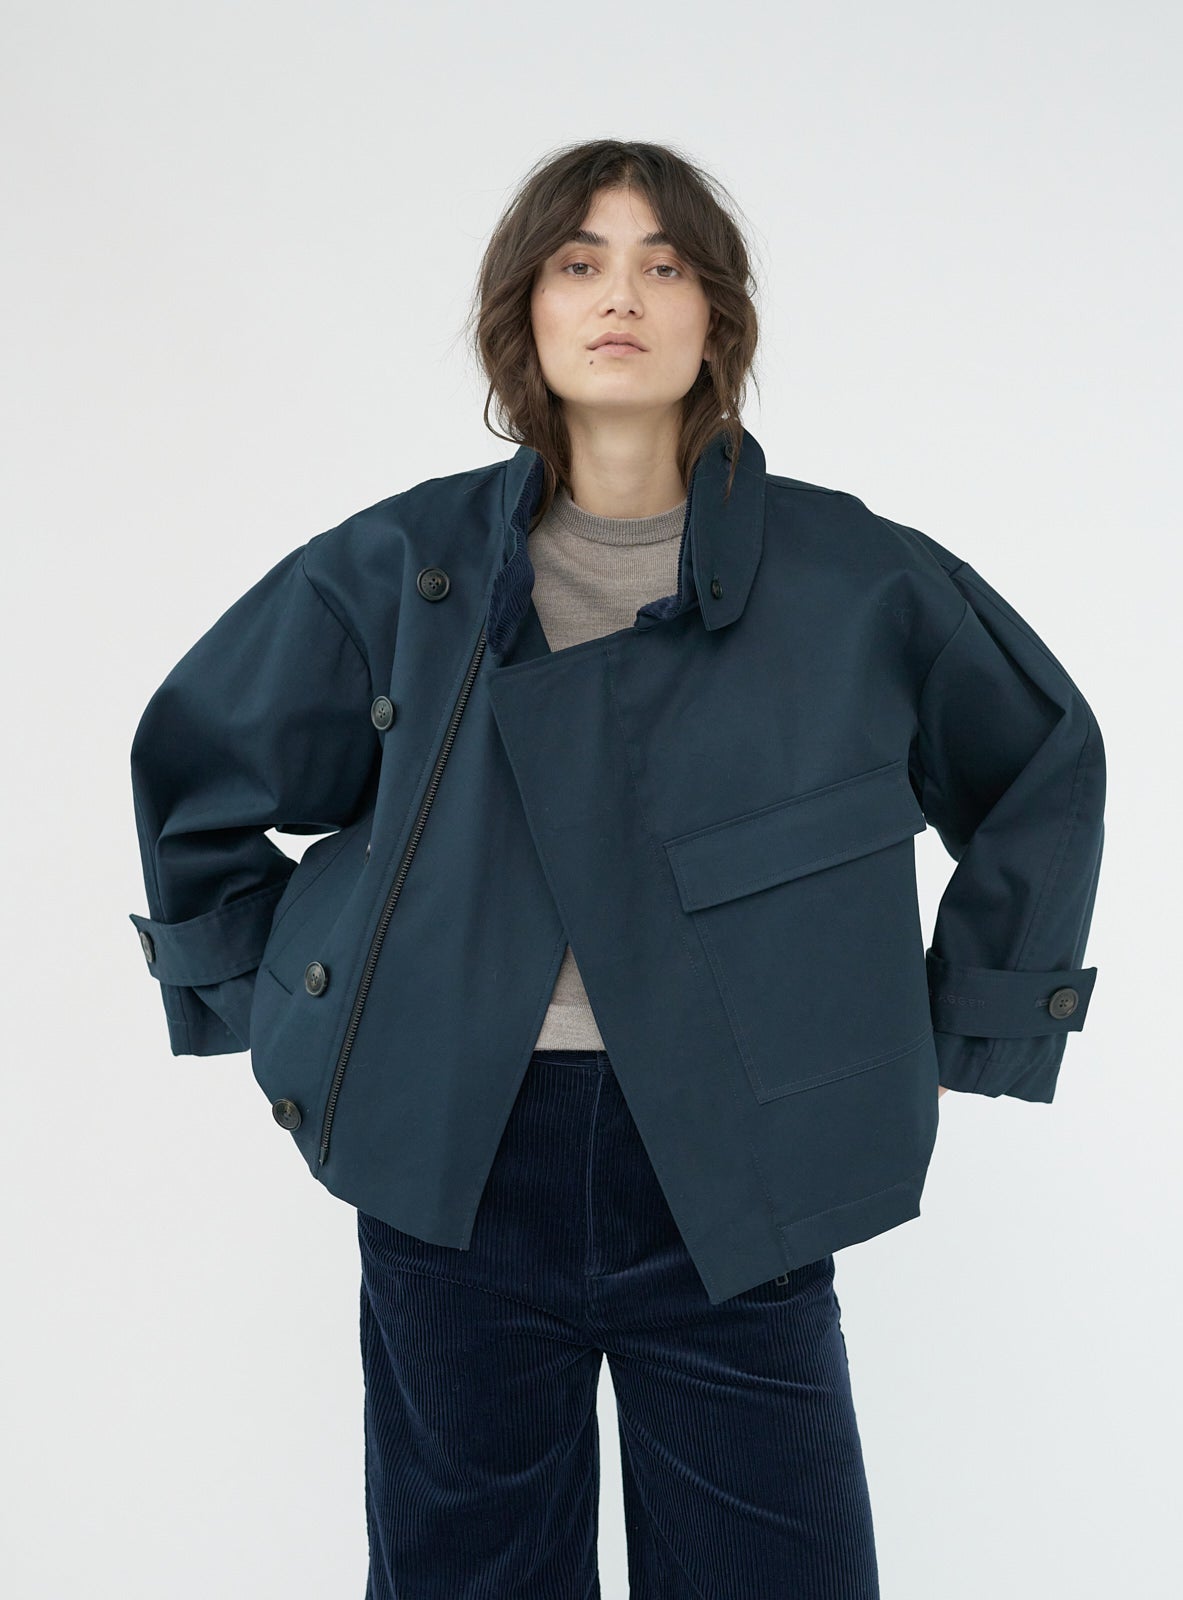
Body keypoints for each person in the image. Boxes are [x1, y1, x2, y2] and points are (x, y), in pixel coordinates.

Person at [127, 138, 1105, 1599]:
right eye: (579, 262)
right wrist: (313, 999)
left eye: (665, 264)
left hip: (733, 1150)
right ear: (524, 309)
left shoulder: (853, 578)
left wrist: (972, 1023)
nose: (621, 296)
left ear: (718, 315)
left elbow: (1042, 760)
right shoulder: (402, 566)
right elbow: (199, 768)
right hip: (457, 1147)